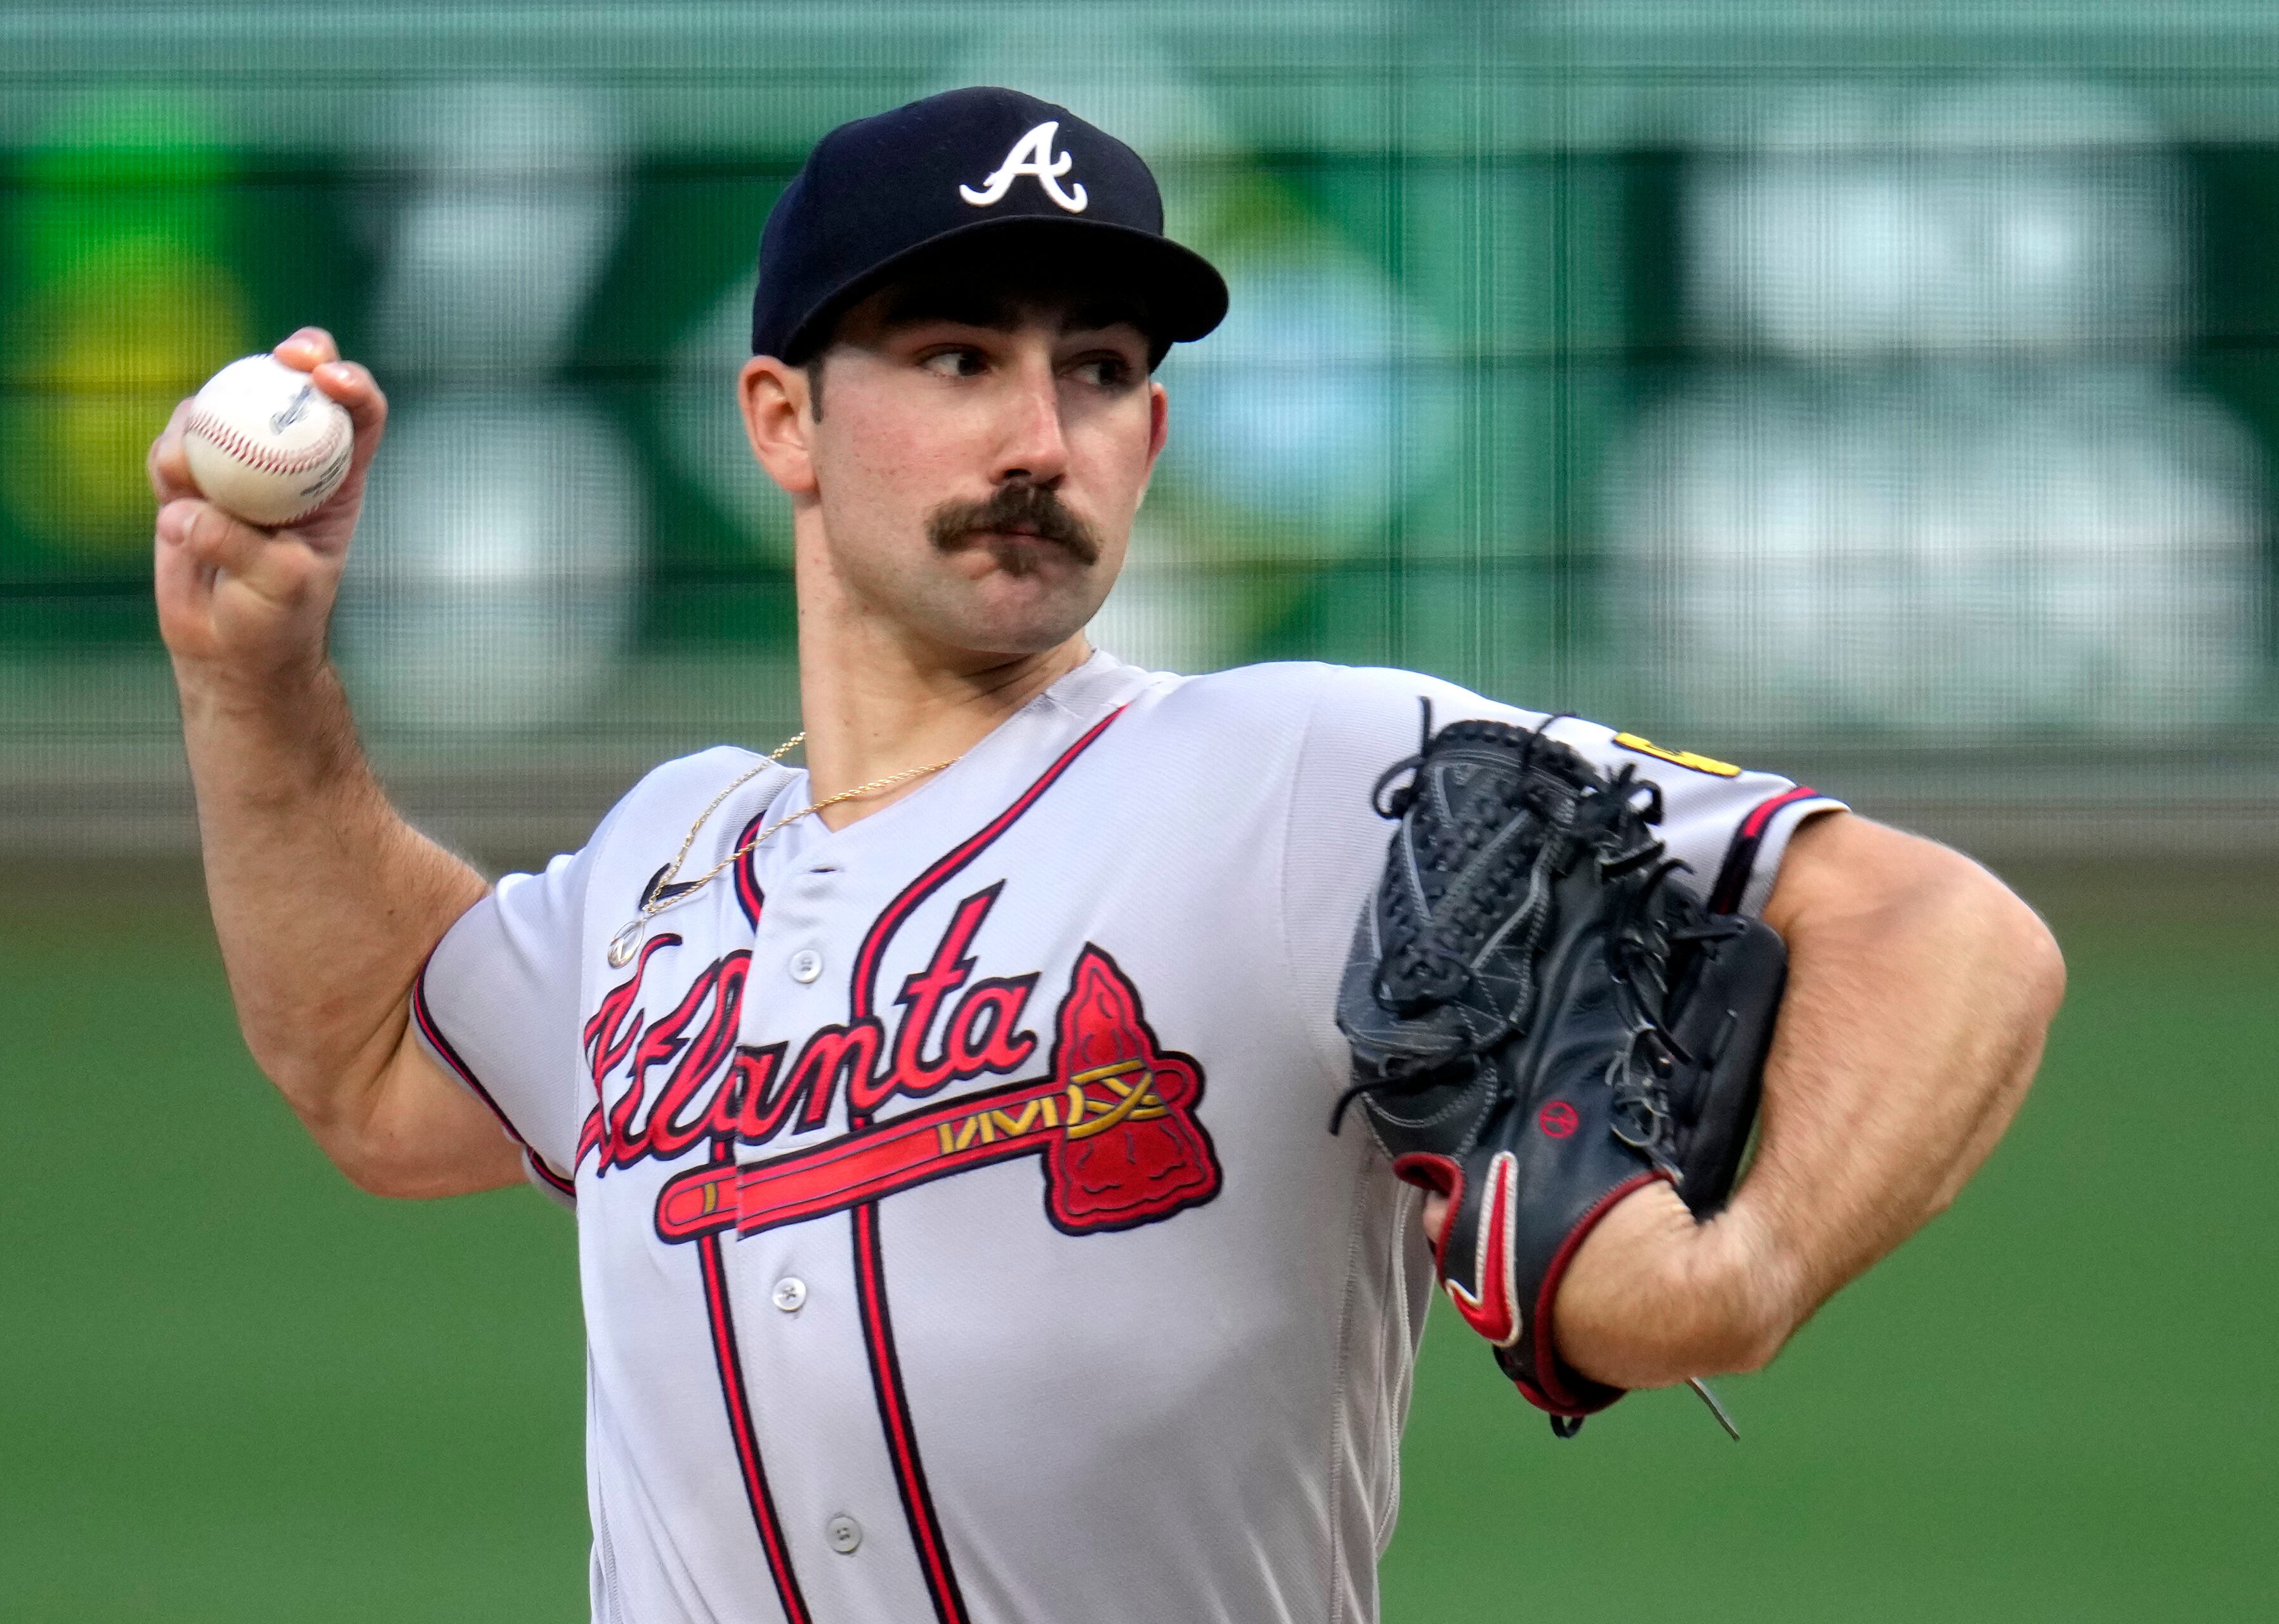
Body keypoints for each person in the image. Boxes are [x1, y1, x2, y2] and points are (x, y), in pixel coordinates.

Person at [145, 86, 2063, 1624]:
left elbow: (1942, 923)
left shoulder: (1310, 771)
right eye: (956, 358)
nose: (1039, 437)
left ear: (1152, 435)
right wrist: (255, 678)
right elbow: (377, 1059)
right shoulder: (672, 853)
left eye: (1097, 370)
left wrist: (1740, 1274)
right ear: (784, 421)